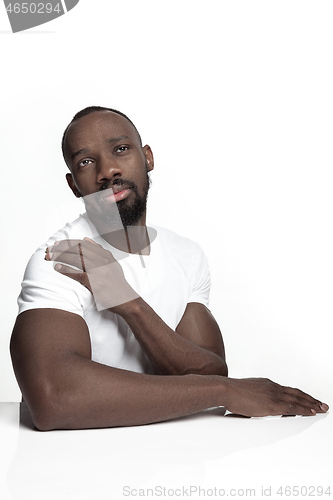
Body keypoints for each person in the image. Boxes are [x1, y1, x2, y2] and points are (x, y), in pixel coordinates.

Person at [10, 106, 329, 431]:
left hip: (172, 456)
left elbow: (208, 372)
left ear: (148, 157)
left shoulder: (186, 255)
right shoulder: (62, 257)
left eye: (120, 149)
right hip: (72, 471)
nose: (107, 170)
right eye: (86, 162)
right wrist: (224, 391)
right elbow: (53, 400)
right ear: (74, 185)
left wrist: (131, 306)